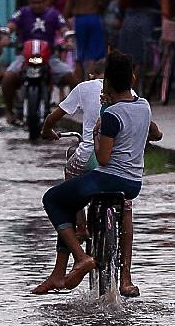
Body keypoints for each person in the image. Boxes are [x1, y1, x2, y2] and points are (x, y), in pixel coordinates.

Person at [32, 52, 159, 294]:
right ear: (132, 80)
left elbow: (102, 158)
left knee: (52, 198)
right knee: (71, 198)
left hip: (108, 177)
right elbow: (152, 132)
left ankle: (80, 258)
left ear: (106, 84)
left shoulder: (111, 115)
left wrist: (94, 135)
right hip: (133, 183)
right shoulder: (144, 106)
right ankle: (64, 274)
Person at [4, 0, 68, 125]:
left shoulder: (54, 14)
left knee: (72, 78)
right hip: (24, 57)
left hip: (49, 57)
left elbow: (64, 28)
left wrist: (68, 38)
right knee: (7, 78)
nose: (36, 6)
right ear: (29, 1)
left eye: (39, 2)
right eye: (33, 2)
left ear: (45, 1)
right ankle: (10, 111)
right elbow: (11, 25)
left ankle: (70, 110)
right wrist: (6, 34)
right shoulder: (22, 13)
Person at [66, 0, 110, 80]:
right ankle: (91, 82)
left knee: (79, 56)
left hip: (80, 18)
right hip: (95, 17)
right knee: (94, 56)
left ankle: (81, 86)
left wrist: (65, 14)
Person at [116, 0, 162, 69]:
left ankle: (129, 80)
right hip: (147, 18)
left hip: (130, 18)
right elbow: (157, 1)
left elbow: (120, 5)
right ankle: (143, 78)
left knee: (128, 52)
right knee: (144, 51)